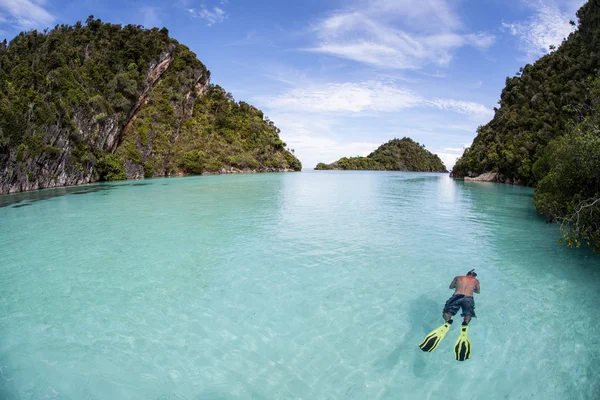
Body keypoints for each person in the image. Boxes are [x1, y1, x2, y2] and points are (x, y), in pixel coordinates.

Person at [418, 269, 480, 361]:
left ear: (467, 274)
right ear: (474, 276)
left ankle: (448, 322)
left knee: (447, 312)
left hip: (457, 296)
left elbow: (451, 287)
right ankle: (465, 324)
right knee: (468, 313)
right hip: (468, 298)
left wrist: (457, 286)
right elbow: (478, 292)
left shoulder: (458, 277)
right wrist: (472, 288)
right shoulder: (476, 281)